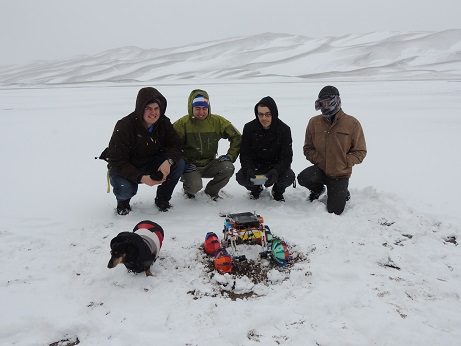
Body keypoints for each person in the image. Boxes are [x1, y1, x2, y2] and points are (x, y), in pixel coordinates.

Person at [106, 87, 185, 214]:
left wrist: (168, 162)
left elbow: (177, 145)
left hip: (152, 162)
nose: (153, 113)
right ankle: (123, 203)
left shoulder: (163, 122)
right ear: (140, 108)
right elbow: (117, 160)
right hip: (127, 166)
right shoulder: (125, 126)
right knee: (125, 188)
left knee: (178, 163)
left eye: (156, 108)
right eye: (148, 108)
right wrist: (142, 177)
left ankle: (162, 200)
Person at [297, 86, 367, 215]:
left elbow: (360, 151)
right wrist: (318, 159)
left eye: (327, 102)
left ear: (335, 101)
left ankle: (342, 190)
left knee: (335, 211)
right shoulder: (314, 122)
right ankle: (318, 190)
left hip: (340, 174)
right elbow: (308, 148)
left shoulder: (352, 123)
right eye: (321, 103)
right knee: (303, 178)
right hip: (321, 169)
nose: (324, 106)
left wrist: (344, 162)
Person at [173, 89, 241, 200]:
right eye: (197, 108)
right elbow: (170, 145)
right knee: (195, 186)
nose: (201, 112)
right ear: (191, 108)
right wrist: (181, 164)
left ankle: (211, 191)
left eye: (204, 108)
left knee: (228, 167)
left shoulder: (217, 121)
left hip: (210, 164)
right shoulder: (182, 124)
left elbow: (237, 137)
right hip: (191, 166)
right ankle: (188, 190)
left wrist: (230, 156)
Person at [236, 96, 295, 201]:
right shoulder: (249, 128)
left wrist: (276, 171)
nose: (264, 118)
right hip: (256, 166)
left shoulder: (284, 129)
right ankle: (256, 188)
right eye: (261, 114)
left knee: (288, 176)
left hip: (275, 166)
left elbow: (286, 157)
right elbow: (245, 153)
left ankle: (277, 191)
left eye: (268, 114)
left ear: (274, 113)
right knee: (241, 177)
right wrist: (248, 168)